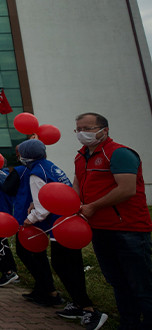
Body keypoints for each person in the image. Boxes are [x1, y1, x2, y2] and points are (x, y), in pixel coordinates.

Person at [12, 139, 107, 329]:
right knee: (73, 265)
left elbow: (43, 206)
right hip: (70, 221)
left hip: (61, 225)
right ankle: (79, 304)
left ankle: (89, 310)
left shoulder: (35, 173)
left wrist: (30, 219)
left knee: (64, 265)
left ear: (26, 155)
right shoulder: (49, 166)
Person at [74, 112, 151, 329]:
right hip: (99, 228)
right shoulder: (81, 156)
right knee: (118, 282)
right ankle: (129, 322)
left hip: (128, 229)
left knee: (140, 284)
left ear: (104, 130)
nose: (82, 134)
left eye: (87, 129)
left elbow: (127, 189)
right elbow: (77, 186)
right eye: (78, 129)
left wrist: (93, 206)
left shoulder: (119, 154)